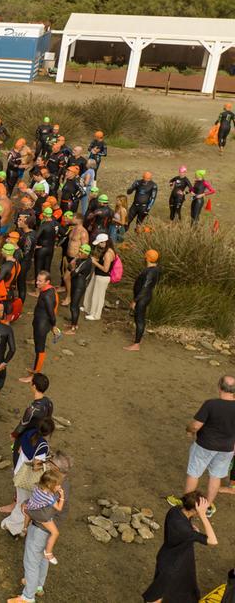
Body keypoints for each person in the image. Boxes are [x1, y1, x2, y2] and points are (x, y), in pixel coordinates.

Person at [9, 451, 72, 603]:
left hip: (41, 529)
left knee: (31, 561)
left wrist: (27, 509)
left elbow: (44, 515)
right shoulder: (64, 483)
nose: (48, 463)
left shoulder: (54, 487)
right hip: (52, 527)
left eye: (51, 462)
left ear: (56, 467)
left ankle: (27, 597)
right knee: (43, 557)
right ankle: (37, 585)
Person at [170, 376, 235, 511]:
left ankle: (187, 505)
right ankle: (207, 506)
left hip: (205, 446)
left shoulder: (211, 404)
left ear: (219, 387)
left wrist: (189, 431)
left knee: (194, 473)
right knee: (216, 476)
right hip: (227, 448)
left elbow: (195, 426)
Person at [142, 491, 219, 603]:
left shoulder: (176, 511)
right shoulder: (185, 530)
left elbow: (181, 526)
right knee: (157, 596)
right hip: (173, 566)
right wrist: (203, 516)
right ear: (194, 510)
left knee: (172, 592)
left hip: (172, 558)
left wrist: (191, 527)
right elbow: (213, 541)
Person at [1, 418, 55, 535]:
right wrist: (47, 463)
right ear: (50, 432)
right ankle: (12, 527)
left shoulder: (28, 434)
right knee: (25, 505)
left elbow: (20, 450)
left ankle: (12, 524)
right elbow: (36, 467)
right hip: (29, 480)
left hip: (20, 472)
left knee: (21, 501)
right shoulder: (43, 445)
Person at [22, 468, 66, 565]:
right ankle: (48, 552)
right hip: (40, 515)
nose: (60, 486)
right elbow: (59, 508)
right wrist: (62, 496)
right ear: (50, 485)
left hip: (30, 508)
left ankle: (24, 528)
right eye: (58, 484)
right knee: (55, 533)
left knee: (27, 513)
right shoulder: (48, 497)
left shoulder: (37, 487)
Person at [126, 249, 162, 352]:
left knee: (139, 319)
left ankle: (136, 344)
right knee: (139, 318)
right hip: (145, 296)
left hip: (142, 297)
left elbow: (145, 287)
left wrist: (135, 300)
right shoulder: (156, 269)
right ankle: (138, 339)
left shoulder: (151, 271)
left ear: (147, 258)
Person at [82, 233, 113, 321]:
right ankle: (87, 308)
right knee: (90, 290)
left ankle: (95, 314)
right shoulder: (105, 251)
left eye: (100, 243)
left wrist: (94, 262)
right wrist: (97, 260)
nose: (99, 245)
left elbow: (106, 269)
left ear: (104, 242)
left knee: (98, 296)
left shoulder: (108, 253)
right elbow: (102, 261)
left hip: (103, 277)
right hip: (97, 274)